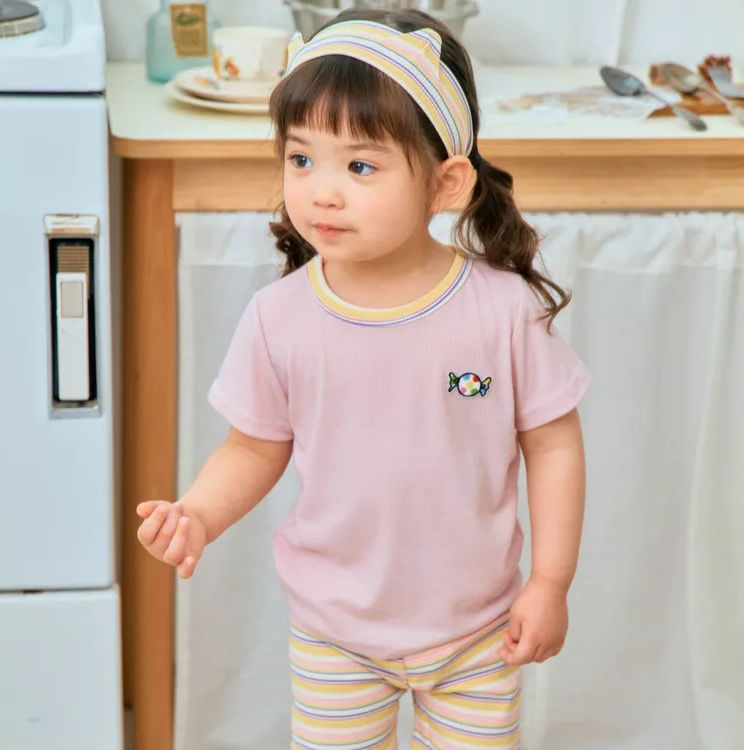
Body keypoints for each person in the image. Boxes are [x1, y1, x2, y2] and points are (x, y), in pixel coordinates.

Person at [136, 8, 590, 749]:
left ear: (445, 183)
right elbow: (253, 447)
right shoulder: (278, 317)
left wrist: (551, 582)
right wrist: (200, 515)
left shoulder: (503, 311)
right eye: (301, 159)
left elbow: (554, 445)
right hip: (335, 633)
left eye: (360, 166)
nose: (322, 191)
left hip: (479, 631)